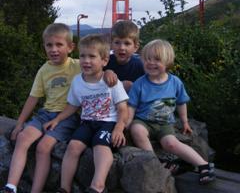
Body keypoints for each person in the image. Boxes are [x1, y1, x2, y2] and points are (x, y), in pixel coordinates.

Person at [0, 24, 116, 193]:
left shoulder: (78, 65)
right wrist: (20, 123)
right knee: (23, 138)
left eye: (59, 45)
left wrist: (109, 72)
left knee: (43, 146)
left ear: (70, 47)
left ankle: (36, 190)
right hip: (45, 114)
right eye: (49, 45)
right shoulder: (44, 70)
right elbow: (33, 98)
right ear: (44, 47)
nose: (54, 49)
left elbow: (97, 67)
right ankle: (10, 186)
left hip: (67, 116)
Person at [44, 34, 129, 193]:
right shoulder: (77, 81)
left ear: (104, 60)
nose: (86, 60)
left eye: (92, 56)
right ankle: (64, 188)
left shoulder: (111, 81)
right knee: (73, 146)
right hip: (87, 122)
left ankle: (97, 186)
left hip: (108, 123)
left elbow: (122, 108)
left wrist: (119, 128)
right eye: (82, 56)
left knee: (100, 145)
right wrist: (57, 119)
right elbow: (72, 105)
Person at [127, 39, 215, 185]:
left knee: (171, 143)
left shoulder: (175, 82)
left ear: (167, 62)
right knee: (137, 130)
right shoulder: (140, 83)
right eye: (147, 59)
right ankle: (155, 162)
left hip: (165, 123)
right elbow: (132, 105)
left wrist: (185, 121)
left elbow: (181, 103)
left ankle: (203, 164)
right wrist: (128, 122)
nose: (151, 63)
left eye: (157, 59)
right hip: (143, 121)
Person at [104, 20, 145, 93]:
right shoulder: (104, 63)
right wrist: (104, 74)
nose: (121, 47)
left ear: (135, 47)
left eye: (127, 43)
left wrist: (134, 87)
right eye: (117, 42)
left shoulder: (141, 66)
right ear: (111, 44)